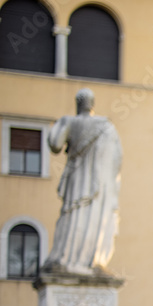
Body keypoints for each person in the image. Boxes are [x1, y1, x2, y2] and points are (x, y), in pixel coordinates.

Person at [44, 87, 123, 276]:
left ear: (77, 104)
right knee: (91, 219)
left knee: (73, 215)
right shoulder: (107, 127)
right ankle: (92, 259)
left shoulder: (69, 121)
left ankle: (66, 258)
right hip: (99, 188)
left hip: (77, 183)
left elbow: (55, 144)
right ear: (93, 104)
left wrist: (57, 125)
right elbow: (117, 162)